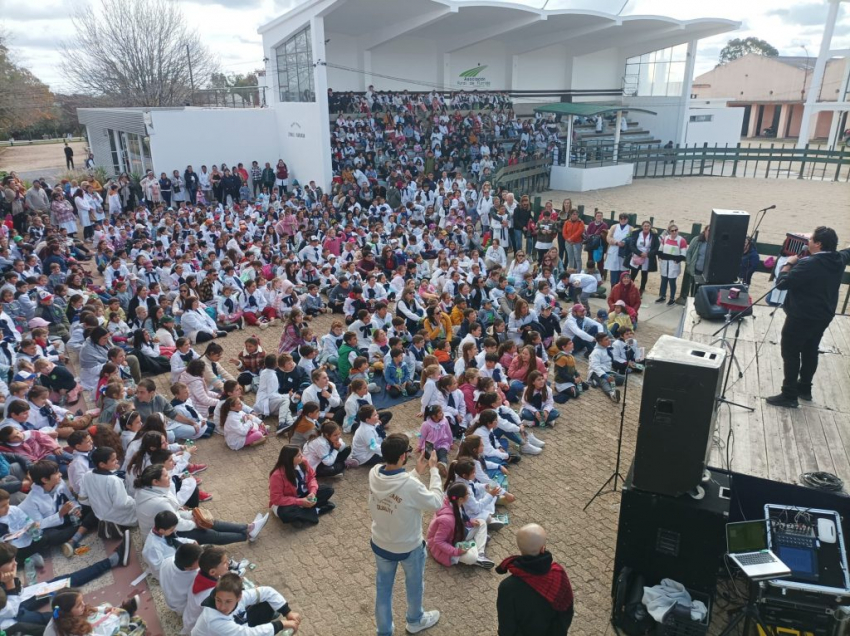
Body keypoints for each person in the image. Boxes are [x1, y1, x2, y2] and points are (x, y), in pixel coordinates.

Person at [767, 226, 850, 408]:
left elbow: (782, 284)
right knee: (810, 349)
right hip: (823, 315)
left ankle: (789, 394)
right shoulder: (839, 259)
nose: (808, 242)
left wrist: (789, 264)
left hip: (801, 316)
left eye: (811, 239)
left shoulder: (809, 264)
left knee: (790, 351)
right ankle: (805, 388)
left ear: (818, 244)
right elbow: (847, 252)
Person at [369, 432, 442, 636]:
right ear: (403, 456)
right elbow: (436, 502)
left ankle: (384, 631)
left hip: (380, 543)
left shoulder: (374, 473)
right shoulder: (411, 486)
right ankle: (415, 620)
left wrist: (416, 471)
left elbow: (396, 486)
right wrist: (434, 470)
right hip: (408, 546)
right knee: (414, 585)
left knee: (383, 589)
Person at [496, 523, 574, 636]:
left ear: (520, 548)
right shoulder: (558, 574)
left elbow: (506, 628)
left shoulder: (507, 587)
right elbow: (566, 612)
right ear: (543, 549)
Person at [191, 572, 300, 636]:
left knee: (266, 603)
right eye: (218, 600)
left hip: (236, 627)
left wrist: (287, 612)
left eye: (228, 601)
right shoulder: (213, 620)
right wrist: (281, 624)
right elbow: (248, 634)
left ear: (239, 597)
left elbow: (266, 592)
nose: (222, 607)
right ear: (215, 595)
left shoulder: (241, 596)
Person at [268, 444, 336, 527]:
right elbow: (277, 499)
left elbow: (311, 477)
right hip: (289, 501)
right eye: (298, 455)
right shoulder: (277, 475)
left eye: (301, 454)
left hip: (304, 495)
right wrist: (300, 501)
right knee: (286, 513)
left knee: (328, 490)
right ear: (290, 458)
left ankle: (302, 515)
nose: (302, 456)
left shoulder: (303, 462)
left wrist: (312, 493)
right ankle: (317, 510)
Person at [656, 223, 688, 305]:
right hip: (665, 263)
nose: (674, 232)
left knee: (672, 282)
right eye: (672, 230)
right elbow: (660, 249)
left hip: (673, 264)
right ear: (669, 231)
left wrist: (677, 260)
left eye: (675, 230)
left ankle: (672, 298)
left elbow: (683, 254)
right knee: (663, 281)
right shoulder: (665, 238)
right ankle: (662, 296)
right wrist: (660, 257)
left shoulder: (681, 240)